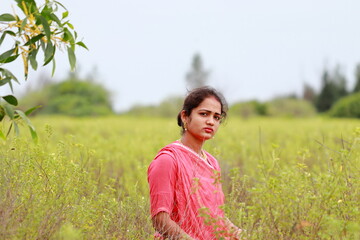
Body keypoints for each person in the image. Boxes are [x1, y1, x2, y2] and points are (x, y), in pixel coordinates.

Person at [147, 86, 242, 239]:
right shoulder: (168, 160)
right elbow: (160, 219)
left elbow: (216, 216)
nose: (211, 122)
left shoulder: (211, 163)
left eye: (216, 117)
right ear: (185, 116)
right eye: (204, 114)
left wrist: (239, 234)